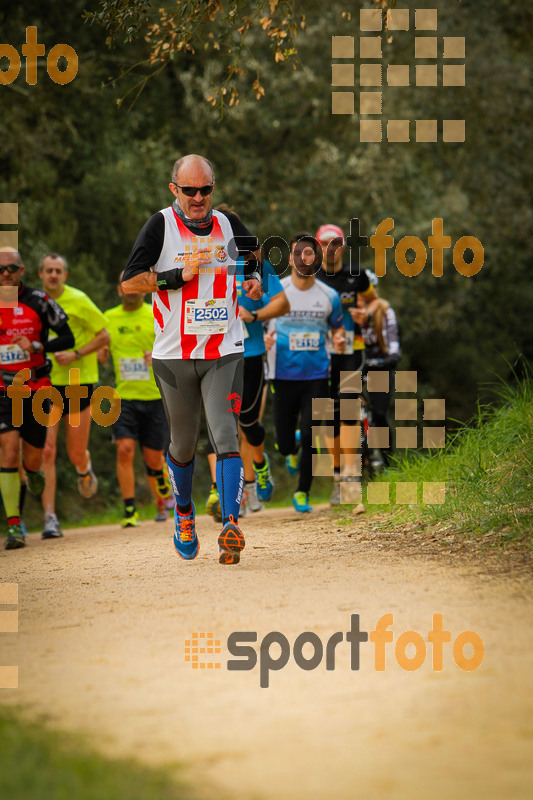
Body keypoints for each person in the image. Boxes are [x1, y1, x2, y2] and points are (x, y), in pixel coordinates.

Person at [121, 154, 263, 565]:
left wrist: (253, 281)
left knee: (225, 434)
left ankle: (230, 524)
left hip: (224, 351)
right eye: (190, 191)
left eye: (206, 190)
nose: (198, 198)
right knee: (182, 444)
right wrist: (174, 277)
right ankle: (184, 513)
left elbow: (256, 259)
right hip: (174, 355)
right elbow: (129, 282)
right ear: (174, 190)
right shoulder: (160, 225)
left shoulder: (229, 225)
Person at [0, 247, 74, 550]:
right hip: (4, 391)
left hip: (37, 388)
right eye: (0, 270)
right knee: (8, 451)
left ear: (22, 270)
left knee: (31, 460)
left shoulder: (40, 302)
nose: (5, 274)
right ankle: (14, 526)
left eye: (11, 269)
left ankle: (33, 474)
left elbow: (68, 337)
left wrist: (36, 345)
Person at [266, 233, 346, 513]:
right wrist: (263, 339)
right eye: (298, 253)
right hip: (282, 373)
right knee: (284, 444)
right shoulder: (276, 291)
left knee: (312, 433)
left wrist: (339, 340)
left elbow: (338, 328)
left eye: (310, 253)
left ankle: (302, 492)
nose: (304, 258)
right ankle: (291, 448)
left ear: (317, 258)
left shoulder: (329, 296)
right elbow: (258, 323)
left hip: (316, 375)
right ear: (290, 259)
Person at [39, 254, 110, 539]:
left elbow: (104, 336)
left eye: (58, 271)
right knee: (47, 450)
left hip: (78, 382)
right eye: (48, 271)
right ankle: (49, 518)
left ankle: (84, 467)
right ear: (41, 274)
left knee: (75, 453)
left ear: (65, 275)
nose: (53, 275)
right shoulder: (33, 303)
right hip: (44, 384)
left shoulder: (79, 300)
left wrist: (76, 353)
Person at [98, 272, 173, 527]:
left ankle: (161, 490)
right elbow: (100, 352)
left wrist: (158, 355)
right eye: (124, 284)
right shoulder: (107, 318)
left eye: (134, 283)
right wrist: (101, 353)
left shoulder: (157, 313)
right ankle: (130, 509)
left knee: (154, 458)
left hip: (154, 396)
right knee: (124, 450)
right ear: (119, 289)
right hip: (124, 398)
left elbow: (176, 346)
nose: (129, 289)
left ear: (144, 288)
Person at [315, 224, 379, 505]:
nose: (331, 248)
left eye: (336, 242)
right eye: (326, 243)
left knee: (350, 407)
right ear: (318, 246)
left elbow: (375, 303)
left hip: (353, 351)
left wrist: (365, 313)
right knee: (328, 415)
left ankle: (352, 476)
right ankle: (338, 478)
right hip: (320, 354)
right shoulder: (309, 277)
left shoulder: (357, 274)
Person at [358, 284, 401, 466]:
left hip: (381, 364)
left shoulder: (385, 311)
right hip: (358, 365)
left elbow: (393, 341)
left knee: (379, 413)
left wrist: (392, 357)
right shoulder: (348, 312)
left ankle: (387, 460)